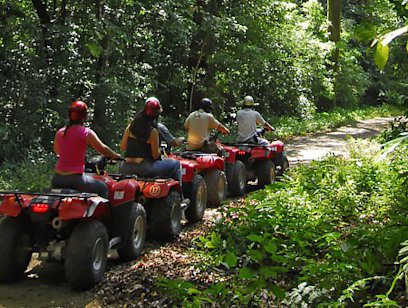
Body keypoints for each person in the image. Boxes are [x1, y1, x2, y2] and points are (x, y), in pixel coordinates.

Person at [52, 100, 121, 198]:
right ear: (84, 116)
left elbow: (57, 151)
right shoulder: (86, 133)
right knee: (104, 188)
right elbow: (103, 149)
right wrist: (115, 155)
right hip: (75, 180)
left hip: (57, 179)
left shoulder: (60, 132)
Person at [119, 97, 182, 185]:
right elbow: (155, 155)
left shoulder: (131, 126)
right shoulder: (152, 131)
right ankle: (180, 194)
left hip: (125, 167)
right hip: (144, 167)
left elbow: (122, 147)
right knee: (175, 164)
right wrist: (160, 150)